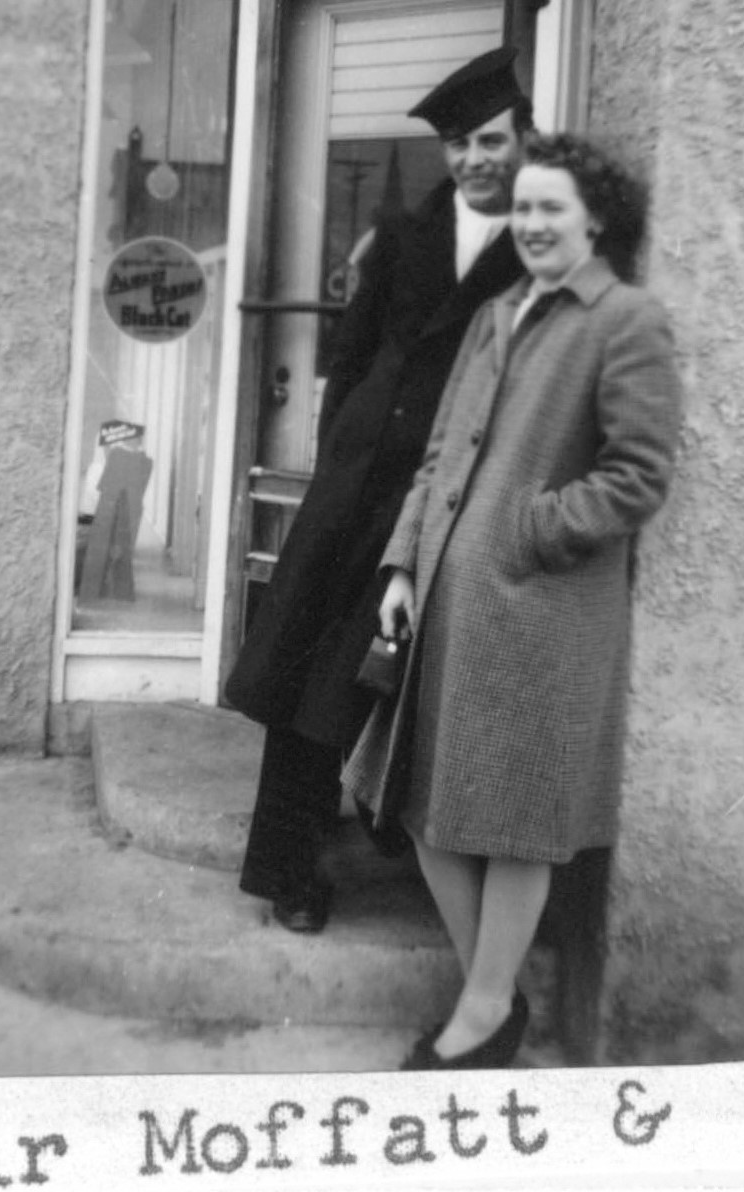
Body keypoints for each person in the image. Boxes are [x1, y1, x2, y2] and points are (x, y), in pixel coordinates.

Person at [343, 131, 682, 1069]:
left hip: (541, 612)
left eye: (549, 208)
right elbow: (438, 454)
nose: (529, 223)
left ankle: (486, 1011)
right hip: (449, 603)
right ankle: (494, 1000)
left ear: (594, 220)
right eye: (521, 207)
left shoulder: (624, 321)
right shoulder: (497, 312)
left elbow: (637, 476)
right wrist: (403, 568)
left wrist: (527, 531)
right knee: (420, 805)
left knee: (515, 824)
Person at [225, 45, 532, 932]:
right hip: (360, 479)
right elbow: (352, 353)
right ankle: (285, 871)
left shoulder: (541, 238)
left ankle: (392, 829)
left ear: (523, 136)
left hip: (448, 489)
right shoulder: (405, 232)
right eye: (457, 145)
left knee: (391, 669)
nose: (473, 159)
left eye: (489, 139)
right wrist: (336, 466)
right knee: (308, 672)